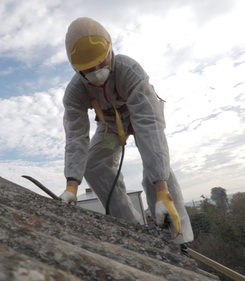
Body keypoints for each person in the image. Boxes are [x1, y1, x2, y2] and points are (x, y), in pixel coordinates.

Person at [59, 17, 193, 244]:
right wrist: (72, 186)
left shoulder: (129, 69)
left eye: (101, 63)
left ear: (110, 51)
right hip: (110, 127)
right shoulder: (75, 92)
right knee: (93, 164)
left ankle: (176, 234)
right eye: (89, 70)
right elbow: (75, 137)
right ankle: (128, 226)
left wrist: (161, 189)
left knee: (157, 165)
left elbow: (149, 125)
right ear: (77, 70)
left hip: (141, 116)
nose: (97, 72)